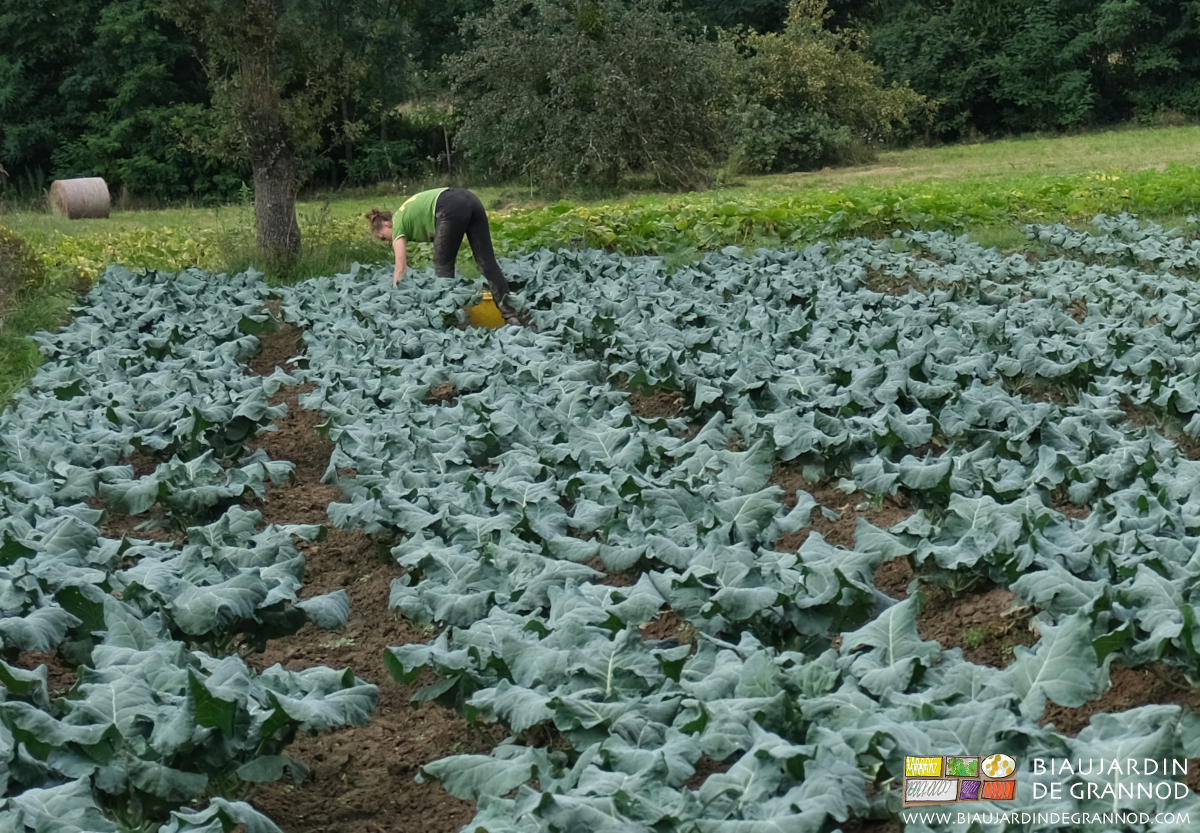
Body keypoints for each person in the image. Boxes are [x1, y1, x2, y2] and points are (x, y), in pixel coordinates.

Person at [366, 188, 510, 302]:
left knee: (443, 264)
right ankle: (510, 312)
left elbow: (400, 267)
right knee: (486, 260)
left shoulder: (397, 223)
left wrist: (395, 293)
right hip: (470, 199)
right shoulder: (404, 215)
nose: (388, 242)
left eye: (383, 237)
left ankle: (447, 313)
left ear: (387, 224)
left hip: (449, 206)